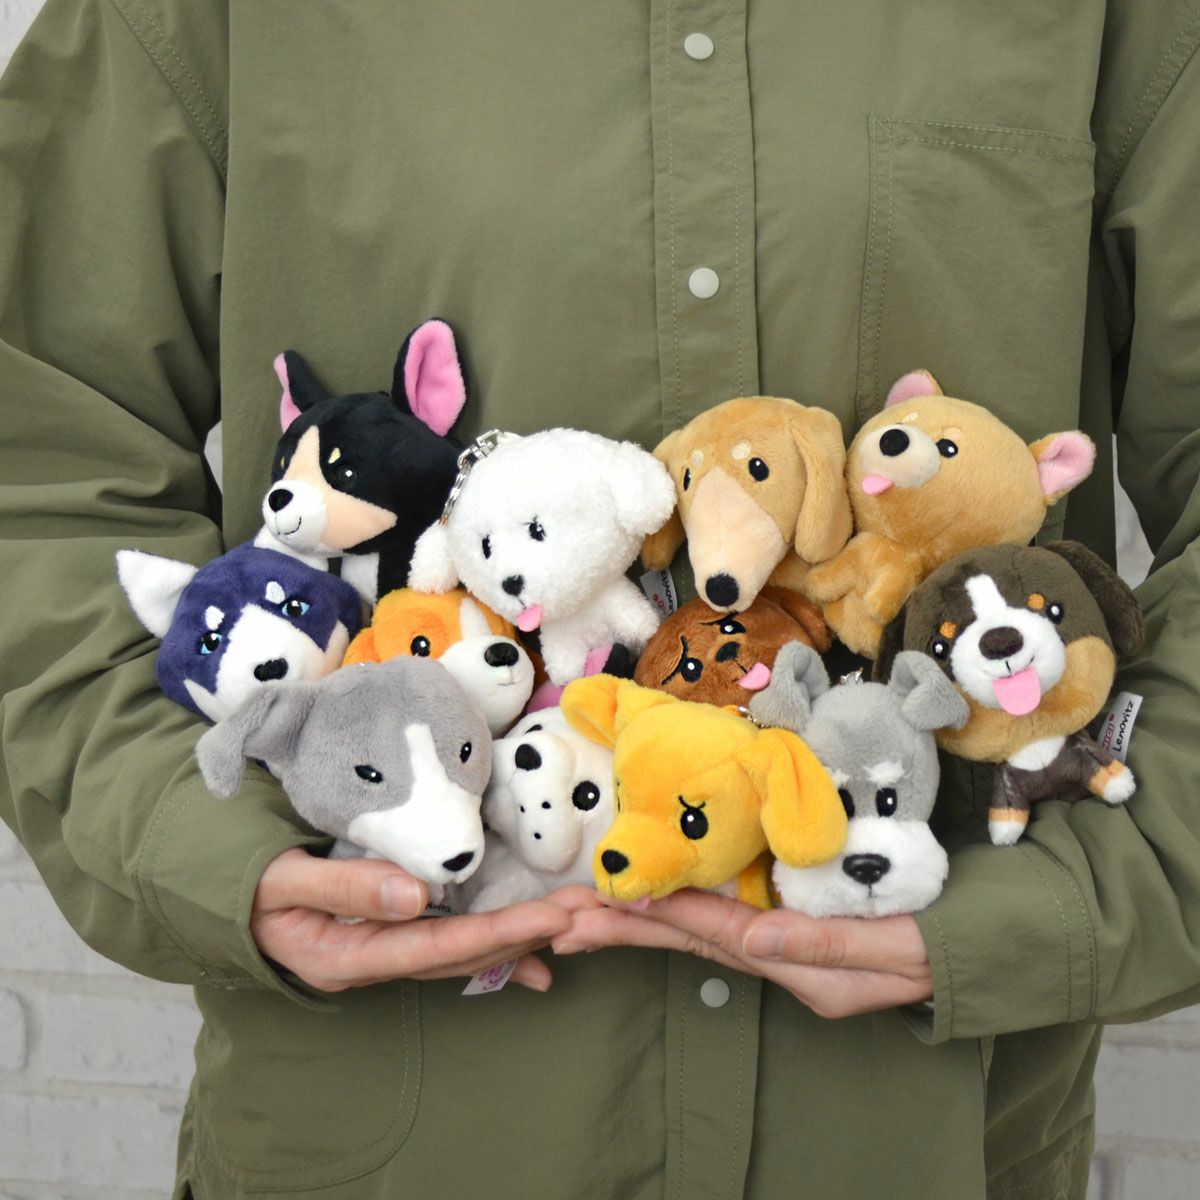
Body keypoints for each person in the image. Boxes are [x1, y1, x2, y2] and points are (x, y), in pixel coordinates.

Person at [1, 2, 1198, 1197]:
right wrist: (205, 842)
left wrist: (1068, 904)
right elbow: (40, 454)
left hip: (924, 1144)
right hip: (394, 1137)